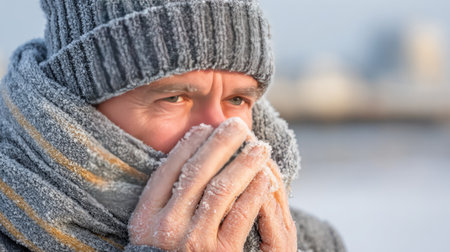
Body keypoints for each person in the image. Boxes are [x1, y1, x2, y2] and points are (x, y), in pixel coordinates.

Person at [0, 0, 346, 251]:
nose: (221, 130)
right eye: (174, 98)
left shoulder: (315, 243)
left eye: (237, 100)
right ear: (74, 106)